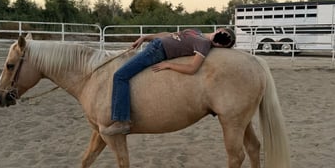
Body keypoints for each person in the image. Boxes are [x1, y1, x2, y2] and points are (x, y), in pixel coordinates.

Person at [101, 28, 236, 135]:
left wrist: (169, 65)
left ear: (221, 46)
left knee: (120, 76)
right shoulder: (197, 32)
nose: (219, 40)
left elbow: (192, 68)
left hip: (156, 51)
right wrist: (146, 37)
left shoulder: (204, 44)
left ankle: (122, 121)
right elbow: (169, 35)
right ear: (219, 29)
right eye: (222, 34)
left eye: (223, 42)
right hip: (155, 45)